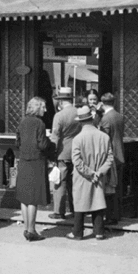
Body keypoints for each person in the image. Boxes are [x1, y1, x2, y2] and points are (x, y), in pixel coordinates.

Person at [67, 106, 114, 241]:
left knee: (80, 202)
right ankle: (99, 231)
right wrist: (99, 172)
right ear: (92, 119)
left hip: (83, 176)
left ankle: (77, 232)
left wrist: (90, 173)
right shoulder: (104, 137)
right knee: (97, 200)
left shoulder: (77, 139)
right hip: (99, 175)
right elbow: (110, 158)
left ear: (80, 122)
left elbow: (77, 161)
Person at [15, 97, 55, 241]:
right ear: (37, 107)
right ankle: (32, 230)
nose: (45, 109)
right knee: (33, 197)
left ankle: (27, 228)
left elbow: (17, 141)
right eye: (43, 107)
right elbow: (43, 145)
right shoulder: (39, 123)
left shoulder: (23, 121)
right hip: (36, 161)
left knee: (24, 197)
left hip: (24, 160)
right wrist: (50, 142)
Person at [48, 86, 78, 219]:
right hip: (77, 151)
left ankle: (59, 211)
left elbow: (55, 136)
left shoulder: (59, 115)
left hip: (62, 152)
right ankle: (75, 209)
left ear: (60, 101)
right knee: (75, 182)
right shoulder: (79, 112)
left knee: (59, 182)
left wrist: (52, 152)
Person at [97, 92, 126, 224]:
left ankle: (110, 216)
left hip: (111, 156)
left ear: (102, 103)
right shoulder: (119, 116)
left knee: (110, 187)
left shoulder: (105, 119)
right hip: (120, 153)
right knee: (117, 187)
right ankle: (117, 214)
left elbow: (104, 138)